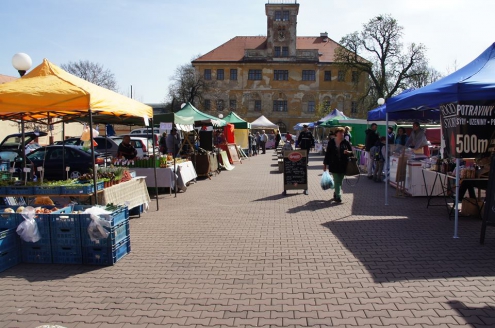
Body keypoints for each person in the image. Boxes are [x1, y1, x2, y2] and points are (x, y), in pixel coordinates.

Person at [323, 127, 352, 203]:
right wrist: (325, 164)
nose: (342, 134)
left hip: (343, 164)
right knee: (337, 180)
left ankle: (336, 193)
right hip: (333, 164)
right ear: (336, 134)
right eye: (340, 133)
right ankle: (338, 197)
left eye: (342, 133)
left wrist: (348, 152)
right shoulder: (331, 142)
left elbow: (351, 152)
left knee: (340, 180)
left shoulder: (346, 142)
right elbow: (327, 154)